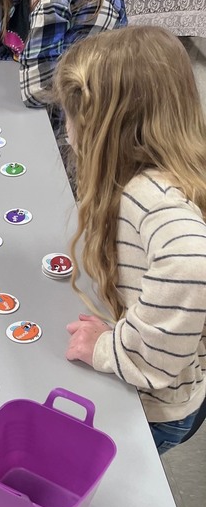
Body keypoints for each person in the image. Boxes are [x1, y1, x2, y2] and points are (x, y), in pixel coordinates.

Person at [53, 27, 206, 454]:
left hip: (154, 409)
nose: (67, 132)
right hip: (182, 389)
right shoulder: (173, 167)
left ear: (105, 127)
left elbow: (192, 263)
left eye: (72, 116)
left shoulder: (148, 196)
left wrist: (111, 348)